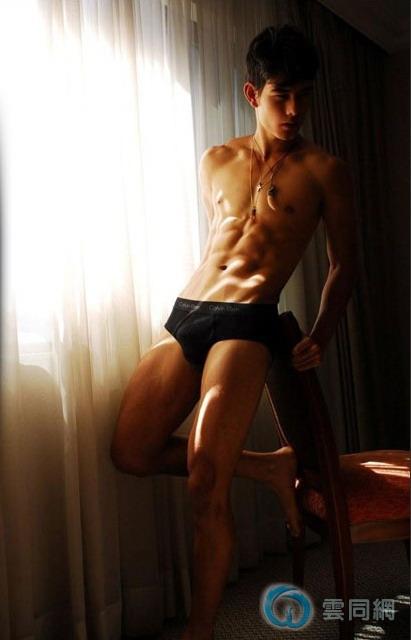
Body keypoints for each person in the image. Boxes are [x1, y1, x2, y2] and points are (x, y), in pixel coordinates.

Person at [111, 23, 357, 640]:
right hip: (189, 311)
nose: (294, 109)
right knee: (131, 451)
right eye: (281, 95)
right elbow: (219, 247)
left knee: (205, 482)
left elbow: (344, 266)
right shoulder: (215, 159)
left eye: (304, 95)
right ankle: (270, 468)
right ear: (253, 94)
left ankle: (199, 631)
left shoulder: (324, 170)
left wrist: (321, 334)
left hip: (249, 321)